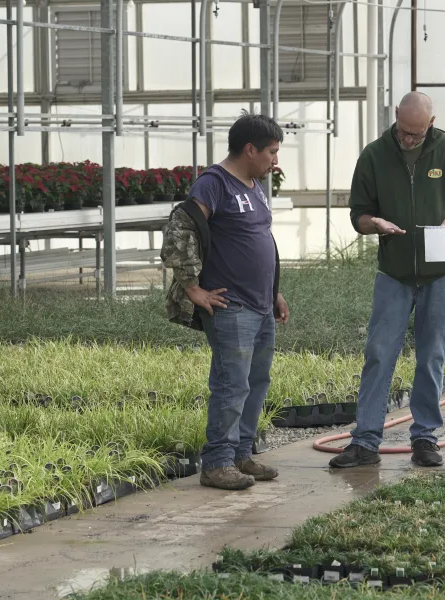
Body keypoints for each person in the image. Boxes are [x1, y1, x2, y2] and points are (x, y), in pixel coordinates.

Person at [330, 92, 445, 469]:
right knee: (379, 354)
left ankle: (425, 438)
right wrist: (374, 224)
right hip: (394, 274)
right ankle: (365, 441)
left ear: (430, 124)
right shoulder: (374, 155)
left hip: (439, 274)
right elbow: (359, 214)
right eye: (403, 131)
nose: (408, 139)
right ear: (395, 116)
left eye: (416, 134)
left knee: (432, 356)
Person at [160, 113, 290, 490]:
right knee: (231, 385)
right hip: (230, 307)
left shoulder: (253, 185)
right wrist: (191, 287)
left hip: (261, 304)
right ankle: (217, 461)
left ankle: (241, 455)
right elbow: (179, 229)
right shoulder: (214, 183)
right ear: (249, 149)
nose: (274, 160)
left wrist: (275, 291)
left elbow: (259, 239)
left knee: (255, 381)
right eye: (271, 152)